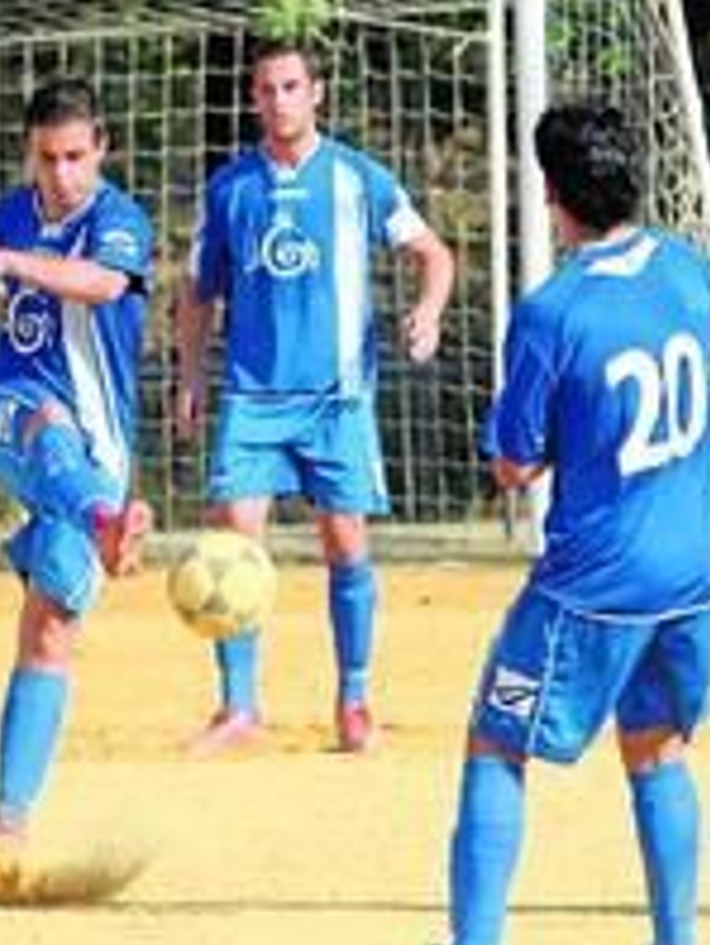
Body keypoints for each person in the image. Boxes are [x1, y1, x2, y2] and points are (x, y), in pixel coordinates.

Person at [390, 104, 710, 945]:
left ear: (551, 194)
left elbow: (512, 462)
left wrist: (585, 445)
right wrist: (689, 438)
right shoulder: (690, 271)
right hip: (695, 574)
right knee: (657, 750)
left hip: (596, 582)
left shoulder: (553, 310)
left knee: (496, 740)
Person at [174, 40, 455, 755]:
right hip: (253, 395)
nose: (279, 100)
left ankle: (354, 700)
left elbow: (434, 254)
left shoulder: (359, 179)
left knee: (346, 543)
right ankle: (239, 705)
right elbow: (197, 292)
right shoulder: (230, 188)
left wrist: (428, 310)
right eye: (266, 89)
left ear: (317, 94)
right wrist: (192, 373)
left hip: (338, 396)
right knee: (233, 544)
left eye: (291, 86)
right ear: (252, 100)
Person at [0, 78, 154, 902]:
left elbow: (101, 286)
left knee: (50, 632)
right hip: (13, 415)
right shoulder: (13, 210)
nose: (62, 174)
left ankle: (6, 830)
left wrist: (7, 261)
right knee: (43, 419)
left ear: (101, 148)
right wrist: (0, 258)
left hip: (98, 455)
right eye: (47, 157)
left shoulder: (120, 222)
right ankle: (106, 519)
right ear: (28, 153)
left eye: (75, 156)